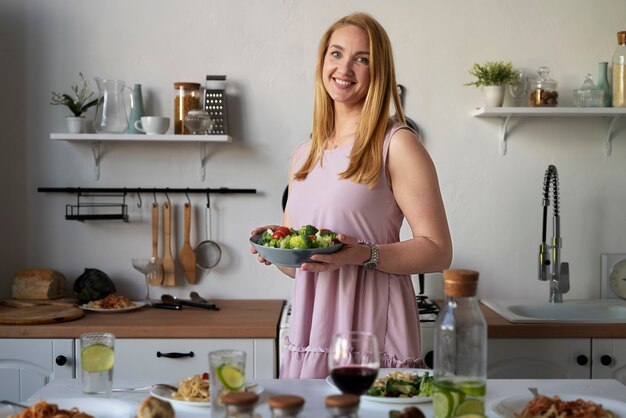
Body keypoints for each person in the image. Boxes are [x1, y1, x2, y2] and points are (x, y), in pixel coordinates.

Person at [250, 12, 452, 379]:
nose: (345, 67)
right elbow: (303, 267)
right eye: (336, 53)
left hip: (374, 330)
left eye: (362, 58)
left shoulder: (397, 144)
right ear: (323, 61)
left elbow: (439, 249)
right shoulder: (304, 154)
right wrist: (276, 251)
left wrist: (364, 254)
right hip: (313, 331)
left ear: (380, 72)